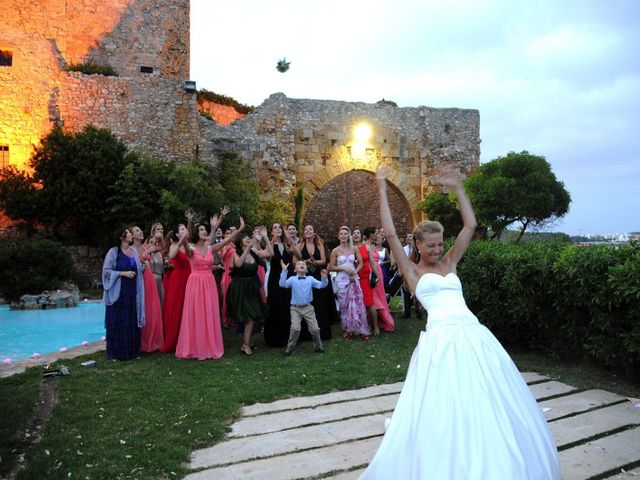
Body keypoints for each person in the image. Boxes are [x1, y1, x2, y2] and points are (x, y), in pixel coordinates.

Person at [359, 165, 560, 479]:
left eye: (440, 244)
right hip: (441, 341)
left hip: (473, 336)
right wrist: (382, 188)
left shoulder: (450, 261)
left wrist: (458, 189)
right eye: (431, 246)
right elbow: (392, 234)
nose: (437, 250)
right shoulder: (412, 272)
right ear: (419, 245)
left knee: (485, 396)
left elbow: (470, 225)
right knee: (447, 402)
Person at [176, 211, 241, 360]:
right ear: (196, 233)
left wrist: (239, 229)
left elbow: (227, 239)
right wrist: (190, 222)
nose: (204, 232)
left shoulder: (210, 248)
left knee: (210, 312)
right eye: (202, 230)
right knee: (196, 313)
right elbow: (185, 239)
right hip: (195, 283)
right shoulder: (190, 249)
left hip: (209, 282)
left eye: (205, 230)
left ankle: (209, 345)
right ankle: (195, 346)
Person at [102, 228, 145, 360]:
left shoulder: (133, 252)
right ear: (122, 237)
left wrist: (142, 268)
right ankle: (116, 353)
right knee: (119, 321)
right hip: (119, 293)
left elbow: (136, 268)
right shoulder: (114, 252)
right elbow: (106, 272)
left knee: (131, 320)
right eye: (128, 233)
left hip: (132, 291)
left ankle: (132, 352)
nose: (131, 234)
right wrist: (122, 273)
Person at [227, 230, 270, 356]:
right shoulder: (236, 253)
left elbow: (269, 254)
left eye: (248, 237)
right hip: (240, 288)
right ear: (240, 243)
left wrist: (265, 239)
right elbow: (239, 264)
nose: (248, 239)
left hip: (252, 288)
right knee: (250, 317)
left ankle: (247, 341)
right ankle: (245, 345)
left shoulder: (254, 253)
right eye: (245, 238)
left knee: (257, 315)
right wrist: (247, 249)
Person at [264, 222, 302, 348]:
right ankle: (274, 338)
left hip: (288, 280)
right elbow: (270, 256)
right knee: (275, 306)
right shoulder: (269, 244)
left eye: (279, 227)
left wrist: (290, 240)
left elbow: (299, 255)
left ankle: (288, 337)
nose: (278, 229)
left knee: (287, 306)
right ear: (271, 232)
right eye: (275, 228)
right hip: (275, 279)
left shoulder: (286, 245)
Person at [279, 260, 327, 356]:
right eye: (299, 264)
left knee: (315, 329)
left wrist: (323, 277)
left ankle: (318, 347)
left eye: (304, 264)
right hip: (295, 309)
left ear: (307, 270)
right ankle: (290, 349)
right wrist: (284, 271)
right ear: (295, 270)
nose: (302, 265)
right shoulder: (292, 279)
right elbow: (282, 284)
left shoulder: (310, 279)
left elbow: (322, 285)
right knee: (295, 329)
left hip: (308, 308)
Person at [328, 226, 369, 340]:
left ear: (348, 235)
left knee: (357, 304)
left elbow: (361, 263)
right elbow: (331, 267)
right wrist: (343, 269)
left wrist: (354, 272)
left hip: (353, 279)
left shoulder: (354, 248)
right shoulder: (335, 251)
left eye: (345, 233)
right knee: (344, 305)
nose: (343, 235)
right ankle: (347, 330)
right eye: (341, 234)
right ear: (338, 236)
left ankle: (361, 329)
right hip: (341, 280)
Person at [297, 224, 336, 340]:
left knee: (320, 302)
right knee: (307, 303)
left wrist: (314, 262)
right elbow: (296, 261)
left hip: (318, 276)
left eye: (310, 229)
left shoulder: (319, 245)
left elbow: (324, 260)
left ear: (314, 233)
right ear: (304, 233)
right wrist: (306, 262)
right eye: (306, 229)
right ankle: (306, 333)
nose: (308, 231)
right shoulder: (300, 245)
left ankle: (322, 331)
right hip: (305, 277)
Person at [159, 216, 192, 353]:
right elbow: (171, 256)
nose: (185, 230)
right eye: (182, 229)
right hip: (178, 280)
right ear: (178, 234)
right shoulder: (174, 246)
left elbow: (188, 235)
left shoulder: (190, 246)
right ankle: (174, 339)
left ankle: (188, 338)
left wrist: (189, 221)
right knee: (177, 308)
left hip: (190, 279)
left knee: (188, 308)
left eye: (186, 228)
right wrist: (180, 242)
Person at [131, 226, 164, 352]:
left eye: (141, 230)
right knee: (139, 307)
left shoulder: (147, 248)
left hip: (149, 280)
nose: (140, 232)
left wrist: (159, 237)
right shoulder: (131, 249)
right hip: (138, 280)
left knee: (150, 308)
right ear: (132, 236)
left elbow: (161, 247)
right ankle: (139, 339)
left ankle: (150, 339)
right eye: (137, 231)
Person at [353, 227, 380, 336]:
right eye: (353, 233)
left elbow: (372, 263)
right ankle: (361, 326)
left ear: (361, 235)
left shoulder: (367, 248)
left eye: (357, 233)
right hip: (353, 278)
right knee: (357, 304)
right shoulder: (350, 248)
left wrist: (377, 275)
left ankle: (375, 326)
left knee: (369, 303)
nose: (355, 235)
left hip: (365, 277)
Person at [370, 230, 395, 333]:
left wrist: (382, 262)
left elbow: (389, 260)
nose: (378, 240)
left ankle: (383, 314)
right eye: (377, 238)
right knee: (373, 293)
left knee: (380, 290)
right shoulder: (370, 247)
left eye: (380, 238)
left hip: (380, 269)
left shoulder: (384, 249)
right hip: (372, 270)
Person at [401, 232, 422, 320]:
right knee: (406, 291)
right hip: (406, 273)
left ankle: (418, 312)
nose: (408, 238)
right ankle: (407, 313)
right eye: (407, 236)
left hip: (416, 273)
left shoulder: (417, 250)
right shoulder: (403, 249)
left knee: (418, 292)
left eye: (410, 237)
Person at [147, 223, 166, 309]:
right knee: (154, 304)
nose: (161, 230)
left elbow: (163, 248)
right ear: (153, 231)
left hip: (160, 279)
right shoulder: (150, 243)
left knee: (162, 303)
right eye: (158, 229)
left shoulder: (160, 247)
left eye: (162, 229)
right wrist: (155, 239)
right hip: (152, 278)